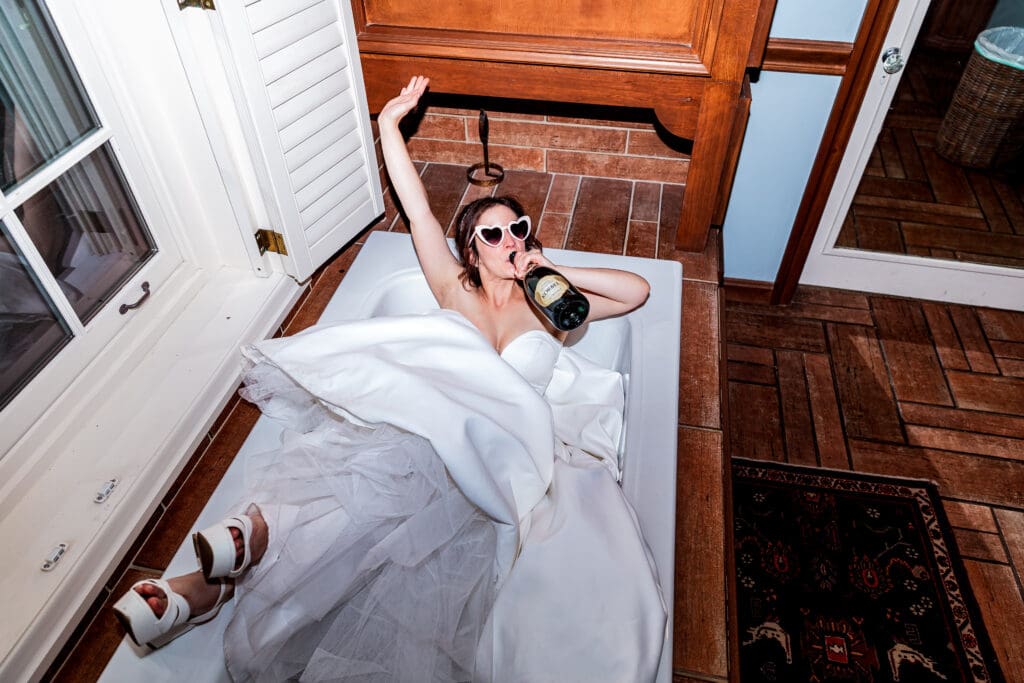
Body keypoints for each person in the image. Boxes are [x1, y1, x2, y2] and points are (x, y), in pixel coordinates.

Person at [113, 75, 664, 682]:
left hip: (502, 449)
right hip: (430, 424)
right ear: (470, 251)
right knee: (369, 468)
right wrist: (388, 125)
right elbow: (417, 205)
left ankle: (229, 566)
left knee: (385, 501)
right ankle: (235, 553)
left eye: (519, 228)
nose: (509, 240)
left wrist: (551, 266)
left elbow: (635, 292)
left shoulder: (551, 302)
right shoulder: (454, 288)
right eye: (491, 234)